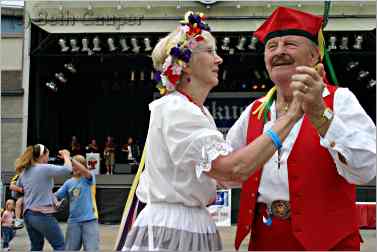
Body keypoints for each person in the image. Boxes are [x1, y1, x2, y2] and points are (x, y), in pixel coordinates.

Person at [121, 11, 303, 251]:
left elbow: (228, 176)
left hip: (191, 224)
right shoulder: (177, 109)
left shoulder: (194, 111)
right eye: (209, 52)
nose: (219, 60)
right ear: (184, 64)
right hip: (174, 229)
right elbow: (231, 170)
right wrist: (290, 116)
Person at [227, 6, 376, 251]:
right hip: (265, 241)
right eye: (272, 46)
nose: (279, 52)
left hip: (329, 243)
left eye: (290, 44)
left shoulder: (340, 100)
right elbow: (228, 169)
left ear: (315, 55)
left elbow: (368, 168)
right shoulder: (255, 110)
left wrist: (321, 116)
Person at [15, 144, 89, 251]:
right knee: (60, 246)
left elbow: (17, 191)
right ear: (42, 155)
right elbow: (67, 170)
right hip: (41, 215)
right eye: (47, 155)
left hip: (28, 215)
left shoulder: (25, 171)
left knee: (36, 247)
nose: (48, 158)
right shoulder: (44, 168)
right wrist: (66, 156)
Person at [55, 155, 100, 251]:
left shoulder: (89, 177)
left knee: (92, 249)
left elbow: (84, 171)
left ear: (82, 165)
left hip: (90, 220)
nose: (74, 168)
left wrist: (69, 158)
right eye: (72, 165)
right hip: (73, 222)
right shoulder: (68, 183)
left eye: (76, 165)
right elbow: (56, 196)